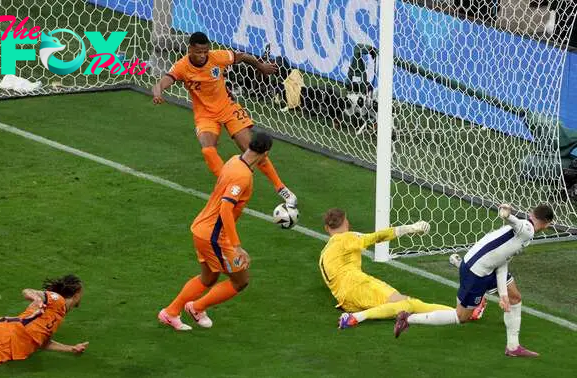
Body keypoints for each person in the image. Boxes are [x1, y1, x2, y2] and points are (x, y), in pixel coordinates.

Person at [152, 31, 297, 208]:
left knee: (254, 150)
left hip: (228, 108)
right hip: (205, 115)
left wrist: (261, 66)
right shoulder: (182, 66)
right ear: (190, 49)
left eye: (205, 51)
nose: (203, 55)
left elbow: (242, 56)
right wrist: (158, 92)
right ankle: (227, 184)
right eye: (198, 52)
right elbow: (162, 82)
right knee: (208, 150)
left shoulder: (218, 57)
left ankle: (281, 188)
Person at [394, 204, 555, 358]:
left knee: (515, 298)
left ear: (531, 214)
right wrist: (507, 215)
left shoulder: (522, 234)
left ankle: (513, 347)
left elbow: (502, 261)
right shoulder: (527, 230)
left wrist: (504, 295)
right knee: (461, 317)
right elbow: (517, 224)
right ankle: (407, 319)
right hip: (476, 272)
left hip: (488, 266)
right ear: (547, 224)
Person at [158, 131, 273, 331]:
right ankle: (195, 307)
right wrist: (237, 246)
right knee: (240, 281)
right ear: (265, 153)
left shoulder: (233, 161)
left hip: (201, 229)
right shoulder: (243, 175)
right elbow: (226, 209)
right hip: (213, 236)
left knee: (209, 278)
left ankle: (171, 312)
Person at [319, 208, 454, 329]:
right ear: (346, 222)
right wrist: (409, 228)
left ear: (327, 228)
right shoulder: (346, 238)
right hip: (357, 284)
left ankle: (459, 313)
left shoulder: (324, 254)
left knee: (411, 304)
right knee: (406, 304)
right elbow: (376, 237)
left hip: (346, 301)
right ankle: (356, 317)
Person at [0, 275, 87, 366]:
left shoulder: (59, 315)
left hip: (16, 350)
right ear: (77, 294)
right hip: (6, 332)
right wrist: (36, 298)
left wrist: (71, 348)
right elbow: (27, 291)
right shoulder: (57, 299)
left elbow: (43, 343)